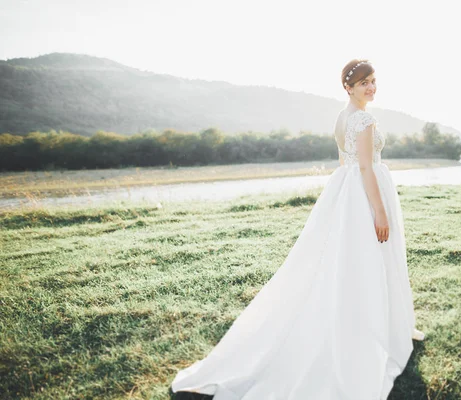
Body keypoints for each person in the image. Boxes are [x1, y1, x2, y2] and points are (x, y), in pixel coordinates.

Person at [171, 59, 425, 400]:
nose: (371, 87)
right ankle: (379, 330)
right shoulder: (363, 119)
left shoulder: (342, 117)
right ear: (348, 87)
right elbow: (365, 166)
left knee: (356, 262)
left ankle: (385, 323)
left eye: (374, 81)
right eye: (364, 82)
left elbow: (344, 163)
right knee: (373, 257)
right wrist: (379, 211)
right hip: (364, 193)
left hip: (346, 192)